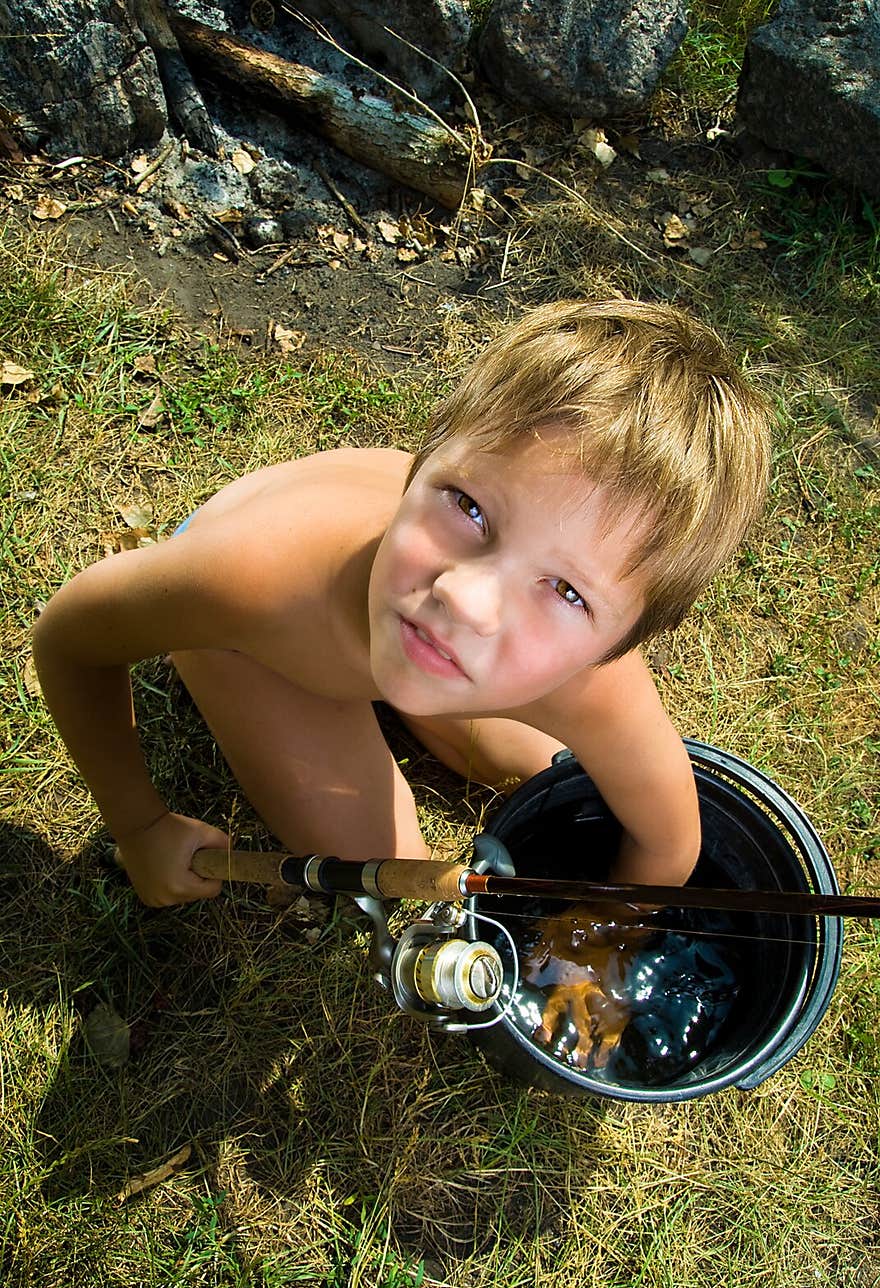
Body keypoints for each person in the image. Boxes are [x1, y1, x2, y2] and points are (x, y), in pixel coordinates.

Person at [31, 299, 772, 923]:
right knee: (383, 863)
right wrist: (139, 825)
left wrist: (598, 935)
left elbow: (669, 835)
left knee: (546, 775)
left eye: (568, 592)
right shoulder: (254, 580)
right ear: (425, 460)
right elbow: (70, 637)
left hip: (390, 616)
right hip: (256, 643)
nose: (468, 598)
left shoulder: (590, 683)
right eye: (469, 505)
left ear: (615, 645)